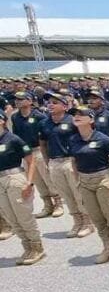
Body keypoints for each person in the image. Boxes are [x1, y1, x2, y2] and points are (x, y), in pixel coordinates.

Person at [69, 106, 109, 264]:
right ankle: (106, 246)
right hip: (85, 181)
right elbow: (74, 161)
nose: (76, 117)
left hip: (102, 179)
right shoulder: (73, 139)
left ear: (91, 119)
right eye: (75, 115)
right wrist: (77, 180)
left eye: (81, 114)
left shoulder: (103, 139)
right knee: (97, 217)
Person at [39, 92, 94, 238]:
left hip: (71, 161)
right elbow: (43, 144)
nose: (50, 105)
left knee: (78, 193)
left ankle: (88, 222)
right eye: (49, 102)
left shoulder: (72, 120)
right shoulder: (44, 123)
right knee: (66, 194)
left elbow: (84, 139)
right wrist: (47, 162)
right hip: (54, 162)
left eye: (54, 102)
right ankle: (77, 222)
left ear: (64, 106)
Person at [0, 112, 45, 265]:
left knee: (23, 215)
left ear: (2, 121)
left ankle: (37, 247)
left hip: (14, 178)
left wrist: (29, 183)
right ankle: (27, 247)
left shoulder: (13, 139)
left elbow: (31, 161)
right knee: (10, 217)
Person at [11, 91, 63, 219]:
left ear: (29, 101)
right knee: (36, 180)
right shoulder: (15, 117)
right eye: (16, 99)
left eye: (21, 99)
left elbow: (46, 136)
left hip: (38, 150)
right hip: (26, 153)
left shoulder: (39, 116)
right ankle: (47, 205)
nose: (17, 101)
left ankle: (58, 204)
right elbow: (16, 135)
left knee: (48, 178)